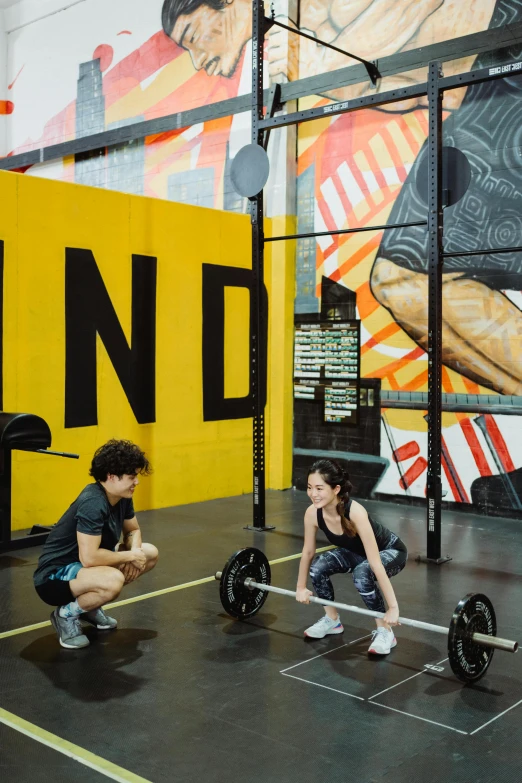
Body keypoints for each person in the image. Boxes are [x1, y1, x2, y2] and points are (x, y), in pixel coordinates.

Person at [33, 439, 159, 650]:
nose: (136, 482)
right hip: (54, 577)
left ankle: (89, 607)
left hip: (84, 568)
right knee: (113, 581)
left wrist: (135, 552)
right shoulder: (94, 502)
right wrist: (129, 557)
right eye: (132, 477)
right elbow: (89, 558)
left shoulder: (122, 495)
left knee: (149, 553)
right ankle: (65, 615)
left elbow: (133, 530)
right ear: (111, 476)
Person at [296, 459, 407, 654]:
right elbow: (308, 552)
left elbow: (375, 563)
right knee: (318, 567)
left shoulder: (355, 512)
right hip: (358, 553)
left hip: (391, 551)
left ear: (336, 489)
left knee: (362, 573)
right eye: (310, 487)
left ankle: (385, 631)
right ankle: (332, 621)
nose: (313, 494)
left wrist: (393, 608)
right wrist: (300, 588)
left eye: (320, 488)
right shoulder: (312, 514)